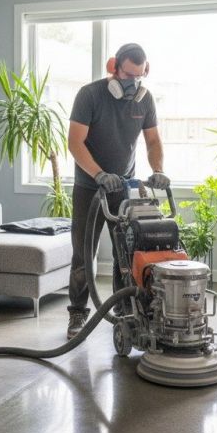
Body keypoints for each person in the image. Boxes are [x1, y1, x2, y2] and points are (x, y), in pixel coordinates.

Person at [65, 42, 169, 339]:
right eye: (127, 76)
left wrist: (158, 170)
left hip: (123, 187)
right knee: (84, 253)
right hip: (89, 187)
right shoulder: (90, 95)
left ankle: (125, 313)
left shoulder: (144, 100)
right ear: (114, 67)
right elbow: (75, 143)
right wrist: (98, 174)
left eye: (138, 76)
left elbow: (152, 141)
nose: (132, 83)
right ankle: (77, 314)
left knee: (126, 251)